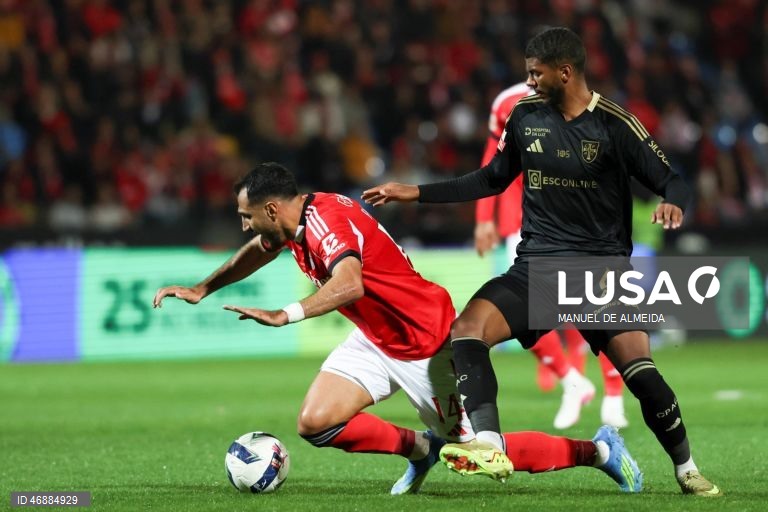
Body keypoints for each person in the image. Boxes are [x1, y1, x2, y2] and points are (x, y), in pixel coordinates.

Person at [362, 27, 720, 497]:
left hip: (599, 276)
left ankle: (686, 468)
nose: (529, 83)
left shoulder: (616, 124)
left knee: (643, 377)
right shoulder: (524, 117)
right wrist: (416, 193)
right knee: (467, 331)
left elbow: (673, 180)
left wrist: (674, 203)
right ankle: (488, 441)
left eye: (536, 74)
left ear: (565, 72)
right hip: (536, 268)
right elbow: (491, 178)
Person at [153, 162, 642, 495]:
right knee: (316, 422)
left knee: (490, 456)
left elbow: (349, 286)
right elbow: (256, 253)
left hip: (427, 344)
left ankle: (599, 451)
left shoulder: (327, 223)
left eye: (247, 217)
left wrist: (286, 314)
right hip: (376, 337)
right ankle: (422, 449)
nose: (244, 226)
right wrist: (203, 288)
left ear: (272, 210)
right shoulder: (294, 224)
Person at [476, 82, 627, 429]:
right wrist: (484, 219)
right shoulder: (506, 102)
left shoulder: (589, 103)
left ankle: (614, 395)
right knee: (524, 310)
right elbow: (492, 163)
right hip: (525, 222)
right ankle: (572, 382)